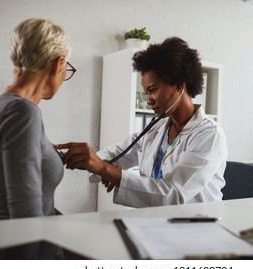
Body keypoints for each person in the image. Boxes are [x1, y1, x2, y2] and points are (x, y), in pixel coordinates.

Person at [57, 37, 227, 208]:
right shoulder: (158, 129)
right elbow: (119, 153)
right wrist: (85, 160)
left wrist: (105, 169)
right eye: (146, 93)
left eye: (153, 90)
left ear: (179, 86)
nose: (149, 100)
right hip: (157, 222)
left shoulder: (209, 135)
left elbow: (173, 193)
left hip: (197, 225)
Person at [0, 18, 75, 259]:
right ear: (58, 63)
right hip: (18, 257)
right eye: (67, 69)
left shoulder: (5, 105)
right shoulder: (23, 113)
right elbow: (26, 218)